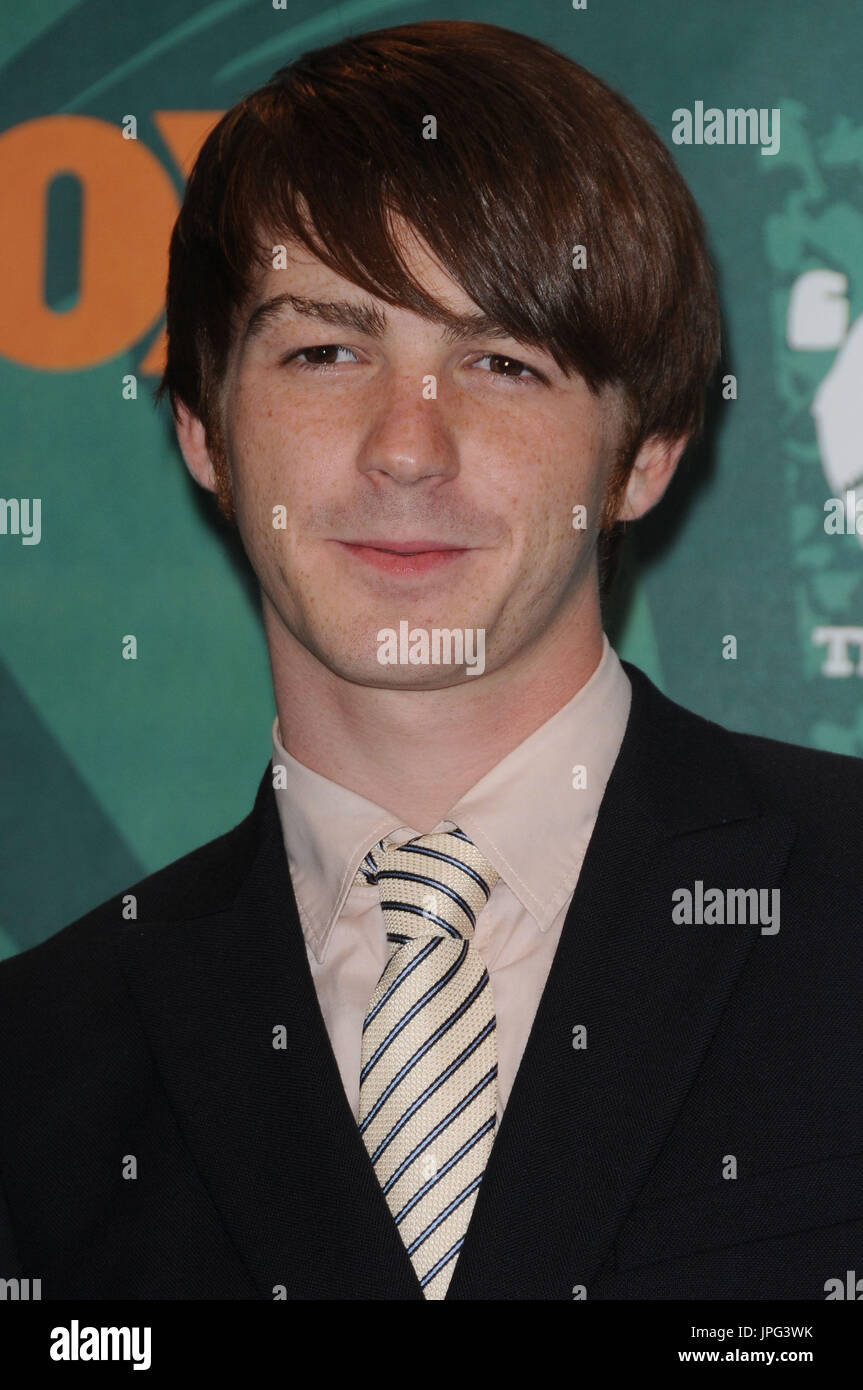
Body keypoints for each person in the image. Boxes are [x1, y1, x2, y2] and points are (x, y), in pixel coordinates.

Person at [1, 19, 860, 1302]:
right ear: (202, 426)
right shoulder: (37, 1061)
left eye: (501, 361)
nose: (408, 447)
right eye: (324, 350)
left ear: (645, 453)